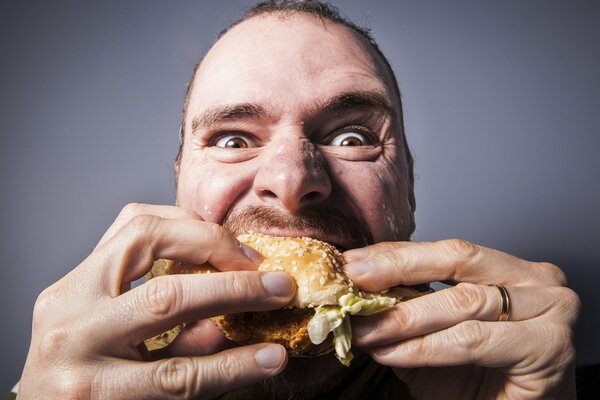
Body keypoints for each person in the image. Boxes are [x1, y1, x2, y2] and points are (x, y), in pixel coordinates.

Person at [16, 1, 580, 399]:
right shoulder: (76, 385)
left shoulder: (510, 381)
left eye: (352, 137)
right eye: (233, 139)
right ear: (180, 184)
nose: (292, 181)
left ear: (408, 185)